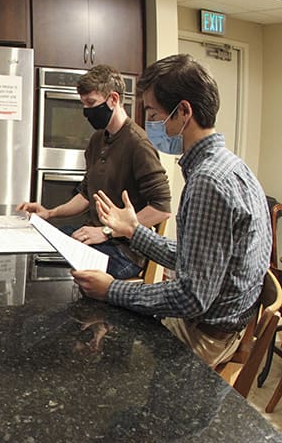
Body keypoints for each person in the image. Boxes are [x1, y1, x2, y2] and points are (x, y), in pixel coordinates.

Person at [73, 54, 272, 368]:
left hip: (206, 332)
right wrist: (133, 232)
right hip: (223, 320)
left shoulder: (208, 181)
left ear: (183, 112)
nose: (149, 121)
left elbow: (191, 298)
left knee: (108, 361)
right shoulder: (231, 165)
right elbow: (196, 258)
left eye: (152, 112)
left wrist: (112, 290)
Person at [17, 64, 171, 279]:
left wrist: (107, 232)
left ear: (113, 100)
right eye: (83, 104)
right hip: (95, 235)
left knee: (58, 270)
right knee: (39, 243)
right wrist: (50, 213)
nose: (86, 111)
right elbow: (86, 194)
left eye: (91, 103)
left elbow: (161, 208)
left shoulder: (138, 144)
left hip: (124, 252)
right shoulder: (98, 139)